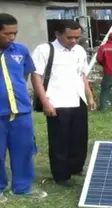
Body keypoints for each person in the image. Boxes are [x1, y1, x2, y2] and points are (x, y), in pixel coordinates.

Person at [31, 20, 96, 187]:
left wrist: (89, 96)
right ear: (58, 34)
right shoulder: (44, 50)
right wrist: (45, 102)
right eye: (70, 37)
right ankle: (61, 175)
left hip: (77, 99)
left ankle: (76, 168)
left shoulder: (79, 50)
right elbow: (36, 77)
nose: (73, 40)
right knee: (59, 141)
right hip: (56, 101)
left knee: (79, 138)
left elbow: (82, 75)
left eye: (77, 37)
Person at [0, 13, 47, 202]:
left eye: (15, 33)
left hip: (21, 112)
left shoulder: (21, 50)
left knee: (24, 149)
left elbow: (26, 75)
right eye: (7, 34)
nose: (12, 37)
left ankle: (21, 187)